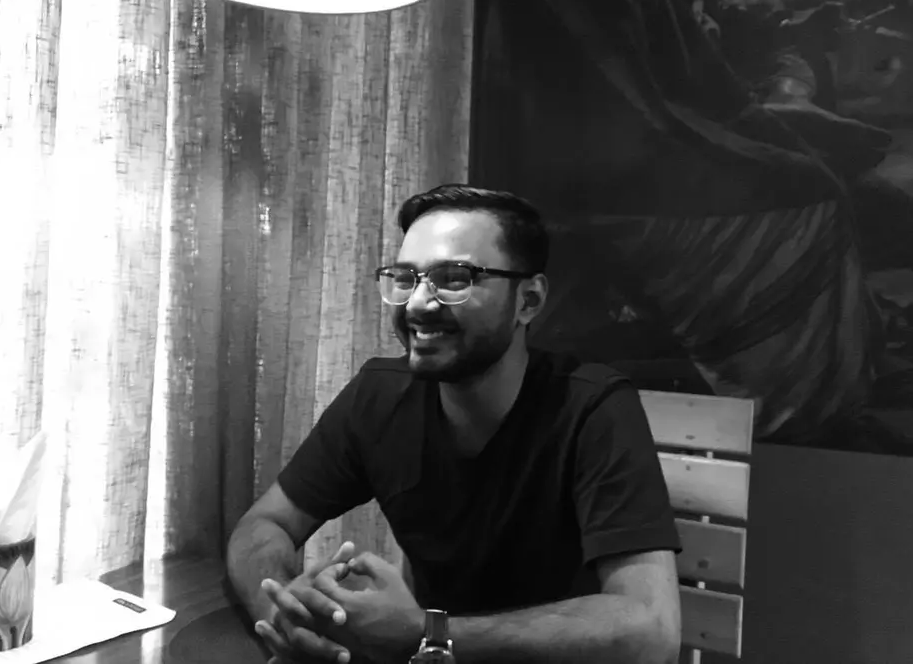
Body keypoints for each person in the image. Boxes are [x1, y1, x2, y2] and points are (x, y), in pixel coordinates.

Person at [227, 184, 682, 664]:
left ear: (528, 300)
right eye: (406, 278)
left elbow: (651, 632)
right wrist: (282, 612)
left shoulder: (593, 409)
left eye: (454, 278)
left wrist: (427, 633)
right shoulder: (378, 397)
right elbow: (265, 524)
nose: (418, 304)